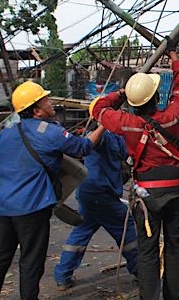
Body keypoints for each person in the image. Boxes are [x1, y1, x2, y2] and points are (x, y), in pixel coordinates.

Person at [0, 81, 105, 300]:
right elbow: (82, 148)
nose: (51, 102)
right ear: (36, 109)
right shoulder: (49, 132)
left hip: (5, 208)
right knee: (30, 263)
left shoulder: (7, 133)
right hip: (32, 209)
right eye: (46, 100)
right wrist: (104, 125)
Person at [91, 51, 179, 300]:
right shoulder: (171, 118)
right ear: (156, 97)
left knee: (147, 251)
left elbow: (99, 109)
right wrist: (176, 60)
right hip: (177, 190)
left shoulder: (125, 122)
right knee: (174, 247)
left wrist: (121, 93)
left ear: (133, 103)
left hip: (147, 195)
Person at [54, 118, 139, 290]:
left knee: (81, 231)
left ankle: (62, 276)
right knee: (126, 228)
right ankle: (141, 271)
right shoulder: (101, 136)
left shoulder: (108, 136)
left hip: (89, 193)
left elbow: (126, 153)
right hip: (101, 194)